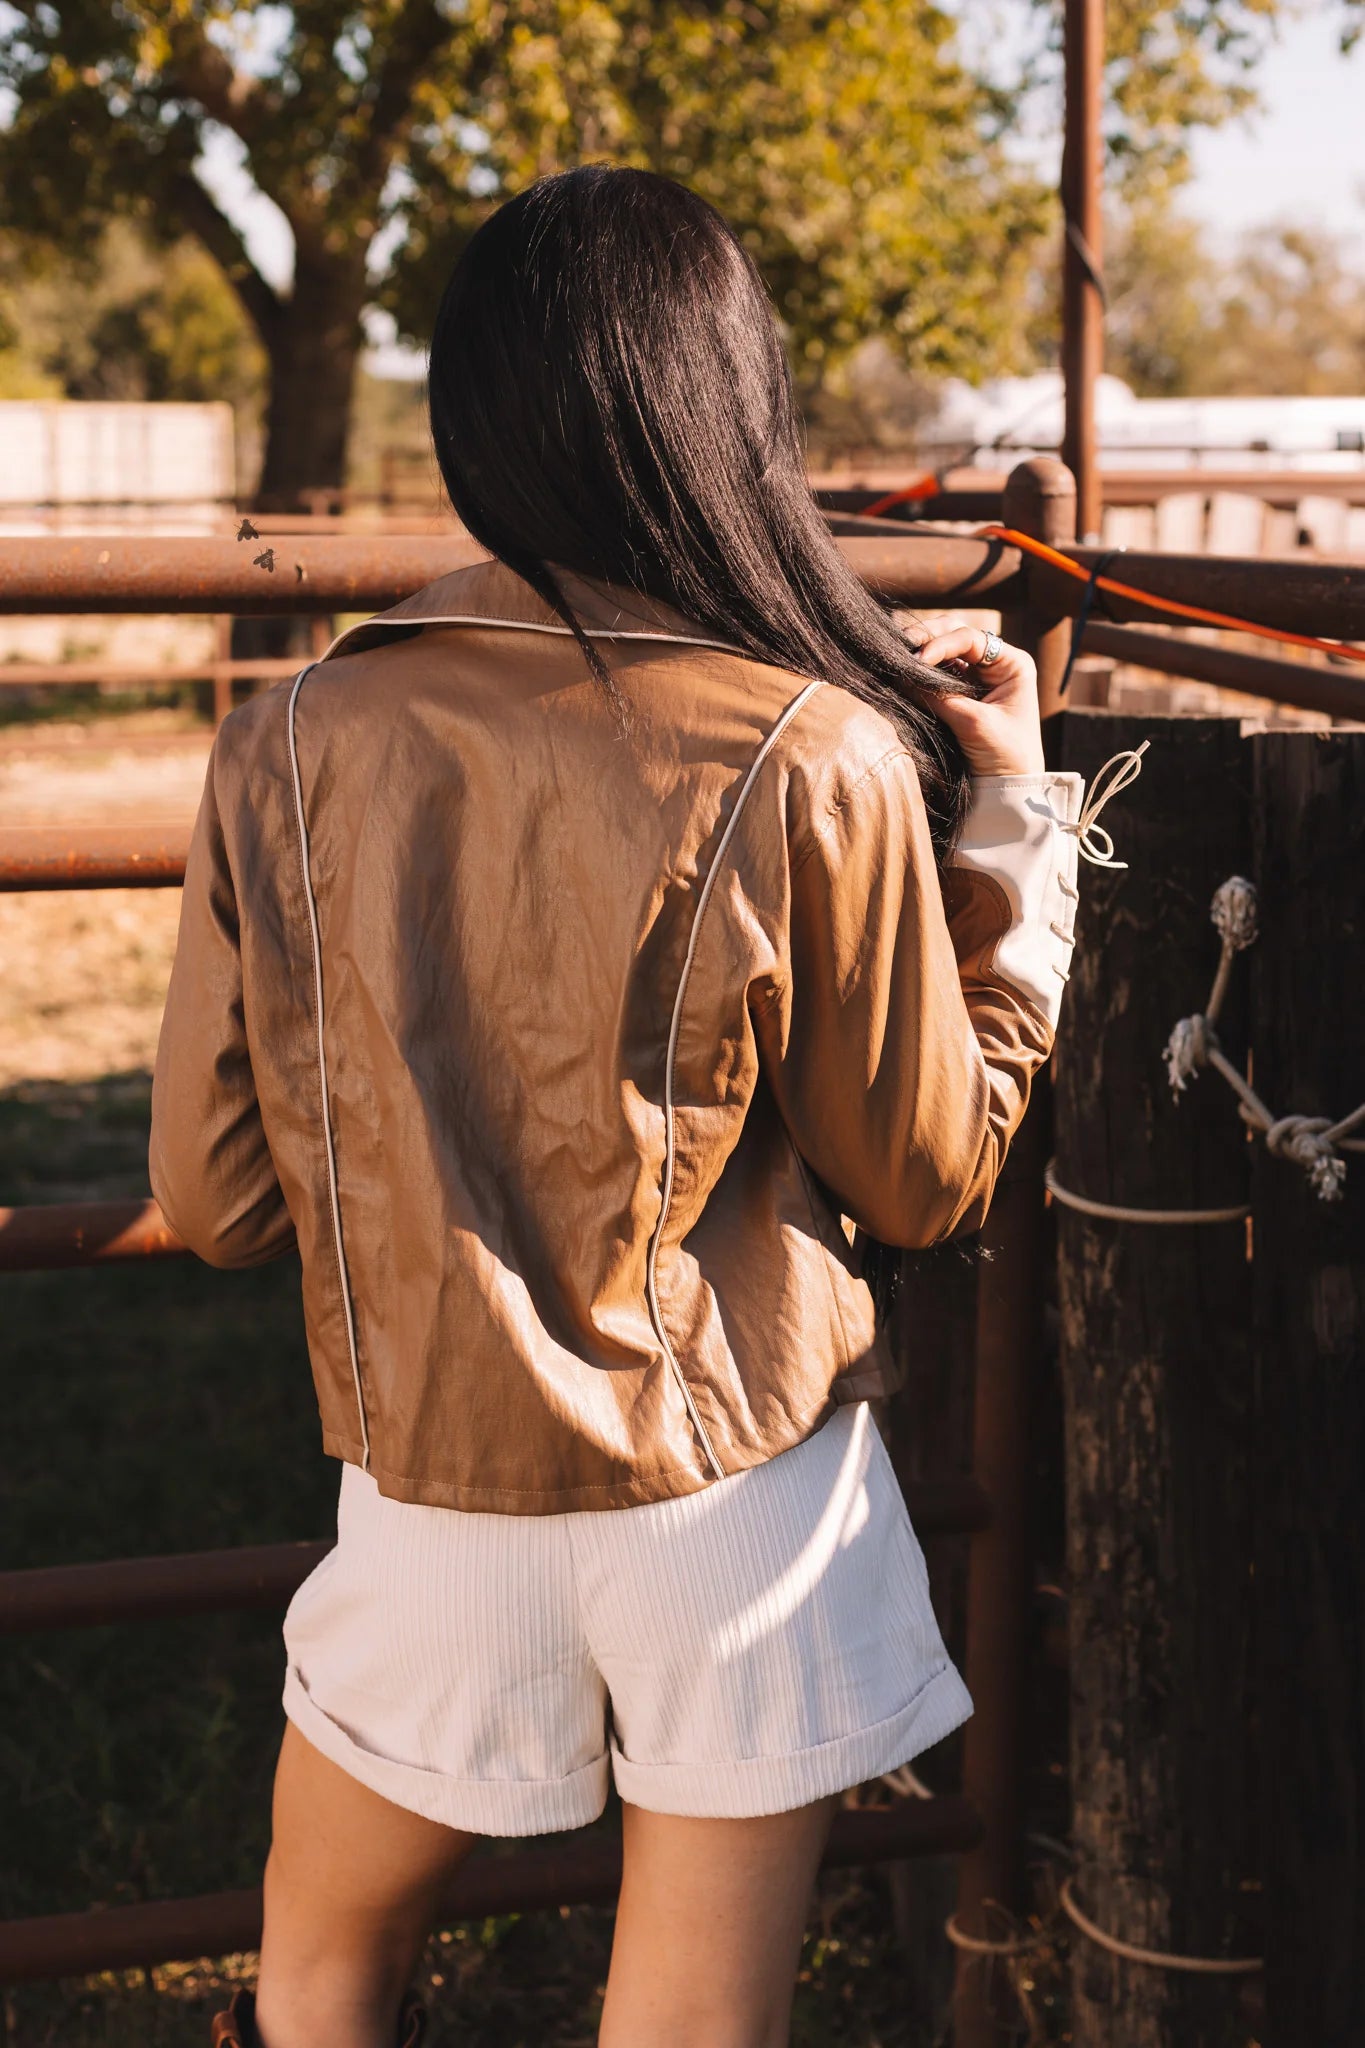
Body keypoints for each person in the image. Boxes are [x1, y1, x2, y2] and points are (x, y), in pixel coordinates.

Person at [151, 166, 1102, 2048]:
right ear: (723, 410)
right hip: (739, 1506)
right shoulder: (816, 749)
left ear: (468, 416)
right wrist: (1012, 826)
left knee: (319, 1976)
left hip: (430, 1492)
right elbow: (919, 1183)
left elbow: (216, 1195)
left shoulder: (283, 743)